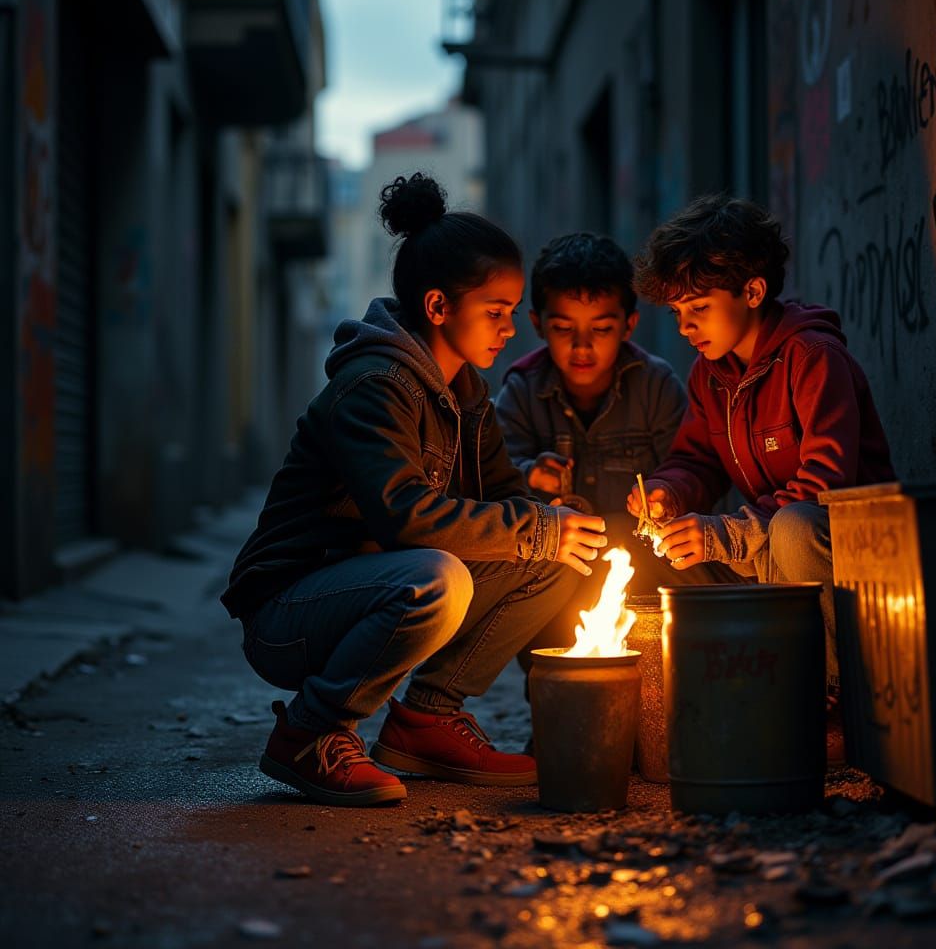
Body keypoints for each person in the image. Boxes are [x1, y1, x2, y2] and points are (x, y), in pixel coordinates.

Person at [221, 173, 607, 807]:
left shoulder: (466, 391)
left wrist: (558, 518)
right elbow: (405, 516)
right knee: (438, 577)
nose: (510, 329)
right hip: (290, 615)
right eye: (495, 312)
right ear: (437, 307)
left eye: (512, 312)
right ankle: (312, 731)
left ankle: (427, 721)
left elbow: (507, 498)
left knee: (560, 556)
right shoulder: (373, 386)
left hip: (374, 586)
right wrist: (534, 528)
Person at [626, 193, 896, 762]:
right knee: (662, 555)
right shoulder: (709, 374)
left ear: (752, 291)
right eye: (676, 313)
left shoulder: (812, 356)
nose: (684, 327)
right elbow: (695, 459)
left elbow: (825, 487)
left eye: (697, 307)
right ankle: (741, 694)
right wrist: (667, 492)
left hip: (843, 558)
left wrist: (722, 534)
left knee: (796, 526)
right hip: (766, 549)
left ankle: (838, 706)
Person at [494, 232, 686, 656]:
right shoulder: (520, 393)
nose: (582, 346)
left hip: (641, 576)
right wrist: (530, 476)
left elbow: (689, 469)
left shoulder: (657, 387)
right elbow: (494, 484)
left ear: (628, 325)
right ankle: (554, 672)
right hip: (554, 578)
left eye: (601, 329)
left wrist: (665, 495)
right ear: (537, 324)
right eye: (563, 329)